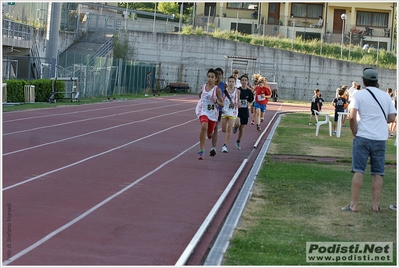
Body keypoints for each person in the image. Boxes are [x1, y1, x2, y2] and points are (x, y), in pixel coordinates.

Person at [342, 67, 397, 212]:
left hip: (363, 136)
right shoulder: (386, 96)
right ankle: (375, 205)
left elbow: (352, 116)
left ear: (363, 80)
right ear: (377, 81)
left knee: (359, 170)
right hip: (380, 137)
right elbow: (392, 117)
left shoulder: (359, 95)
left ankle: (354, 204)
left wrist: (355, 132)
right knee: (378, 172)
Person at [195, 68, 224, 160]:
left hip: (212, 114)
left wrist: (215, 101)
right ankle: (201, 151)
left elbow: (222, 104)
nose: (210, 79)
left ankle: (210, 134)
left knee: (210, 134)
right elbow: (201, 95)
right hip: (203, 111)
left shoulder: (217, 90)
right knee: (204, 126)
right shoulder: (203, 87)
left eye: (212, 77)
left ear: (216, 79)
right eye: (208, 77)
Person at [209, 67, 233, 157]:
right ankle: (209, 133)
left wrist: (230, 100)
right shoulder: (210, 84)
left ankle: (213, 148)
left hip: (217, 109)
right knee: (208, 127)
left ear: (222, 76)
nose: (218, 76)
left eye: (220, 74)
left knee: (215, 126)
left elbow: (226, 92)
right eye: (217, 74)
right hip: (208, 109)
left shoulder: (223, 85)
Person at [233, 74, 254, 150]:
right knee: (238, 123)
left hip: (245, 111)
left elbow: (251, 100)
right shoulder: (238, 90)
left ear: (247, 81)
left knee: (242, 127)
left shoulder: (249, 92)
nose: (244, 81)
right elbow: (234, 99)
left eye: (245, 80)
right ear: (240, 81)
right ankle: (235, 126)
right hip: (238, 110)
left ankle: (238, 141)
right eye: (243, 80)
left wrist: (248, 103)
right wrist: (237, 103)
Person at [221, 75, 240, 153]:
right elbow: (220, 99)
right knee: (223, 129)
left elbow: (238, 100)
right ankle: (230, 129)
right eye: (230, 82)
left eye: (232, 82)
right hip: (224, 111)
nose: (231, 83)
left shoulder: (237, 91)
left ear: (235, 83)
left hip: (233, 111)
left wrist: (238, 103)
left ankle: (225, 145)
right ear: (227, 82)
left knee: (229, 128)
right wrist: (221, 107)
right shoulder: (224, 91)